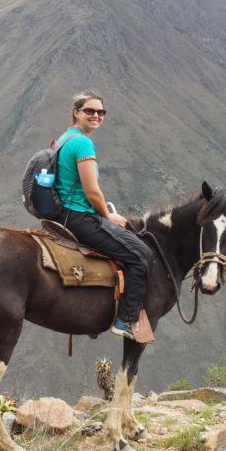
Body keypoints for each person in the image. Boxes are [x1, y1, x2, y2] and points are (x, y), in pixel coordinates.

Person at [52, 90, 154, 341]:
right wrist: (108, 215)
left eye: (101, 112)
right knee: (141, 255)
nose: (96, 115)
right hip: (79, 216)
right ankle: (125, 320)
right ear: (76, 112)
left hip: (63, 213)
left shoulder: (64, 138)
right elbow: (92, 191)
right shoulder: (83, 143)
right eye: (90, 111)